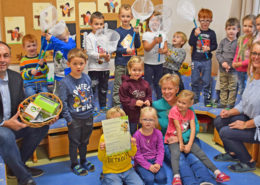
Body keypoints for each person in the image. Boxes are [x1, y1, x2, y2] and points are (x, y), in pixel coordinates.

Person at [0, 41, 53, 185]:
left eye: (5, 56)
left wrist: (44, 116)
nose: (2, 60)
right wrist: (4, 123)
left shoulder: (16, 78)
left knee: (41, 126)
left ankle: (17, 166)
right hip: (2, 127)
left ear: (10, 58)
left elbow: (24, 105)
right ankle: (24, 177)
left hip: (14, 123)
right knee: (4, 134)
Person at [153, 73, 216, 185]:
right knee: (180, 161)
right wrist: (166, 139)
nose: (167, 92)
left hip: (188, 138)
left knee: (194, 158)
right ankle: (190, 182)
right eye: (164, 88)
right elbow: (153, 130)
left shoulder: (184, 102)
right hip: (168, 141)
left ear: (177, 89)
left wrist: (180, 138)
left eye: (170, 89)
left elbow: (195, 127)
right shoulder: (156, 105)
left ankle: (206, 181)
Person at [214, 41, 260, 172]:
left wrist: (246, 125)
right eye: (254, 53)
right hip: (250, 118)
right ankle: (233, 154)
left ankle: (249, 162)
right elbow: (244, 103)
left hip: (258, 127)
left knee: (226, 132)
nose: (256, 57)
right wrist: (230, 112)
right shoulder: (252, 75)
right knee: (219, 120)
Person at [166, 90, 230, 185]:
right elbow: (178, 128)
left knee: (200, 153)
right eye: (179, 102)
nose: (180, 105)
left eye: (183, 103)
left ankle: (217, 172)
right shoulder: (174, 110)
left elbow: (193, 129)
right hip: (173, 138)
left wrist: (189, 145)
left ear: (190, 104)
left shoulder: (190, 113)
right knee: (176, 154)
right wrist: (182, 144)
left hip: (186, 139)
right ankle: (176, 176)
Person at [59, 48, 95, 176]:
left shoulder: (86, 77)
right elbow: (62, 102)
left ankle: (84, 160)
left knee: (85, 141)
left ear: (85, 63)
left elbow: (91, 93)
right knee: (75, 142)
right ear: (69, 64)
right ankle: (74, 163)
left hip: (88, 116)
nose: (78, 66)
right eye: (75, 64)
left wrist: (92, 110)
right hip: (74, 119)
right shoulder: (64, 82)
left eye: (81, 63)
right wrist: (68, 119)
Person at [98, 107, 144, 185]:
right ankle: (104, 178)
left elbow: (132, 154)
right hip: (111, 171)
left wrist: (133, 145)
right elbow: (101, 158)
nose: (116, 123)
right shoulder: (104, 137)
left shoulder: (126, 134)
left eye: (118, 120)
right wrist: (102, 149)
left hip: (127, 169)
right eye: (112, 121)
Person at [113, 4, 141, 106]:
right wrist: (125, 50)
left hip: (133, 64)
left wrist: (137, 34)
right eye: (123, 16)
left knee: (132, 86)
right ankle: (117, 107)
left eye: (128, 16)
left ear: (132, 17)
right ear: (119, 16)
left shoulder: (134, 30)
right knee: (118, 86)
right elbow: (114, 48)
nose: (125, 19)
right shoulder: (116, 32)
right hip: (120, 63)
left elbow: (138, 45)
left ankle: (131, 105)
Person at [188, 8, 218, 106]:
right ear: (199, 20)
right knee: (194, 80)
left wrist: (209, 48)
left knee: (206, 81)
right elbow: (191, 43)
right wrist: (196, 35)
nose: (205, 23)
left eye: (207, 20)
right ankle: (195, 98)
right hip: (195, 60)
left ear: (211, 20)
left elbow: (215, 45)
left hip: (207, 60)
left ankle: (207, 99)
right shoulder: (195, 30)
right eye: (202, 20)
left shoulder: (211, 33)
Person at [119, 56, 152, 135]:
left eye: (139, 70)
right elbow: (123, 99)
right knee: (131, 134)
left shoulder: (145, 84)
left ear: (142, 70)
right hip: (130, 117)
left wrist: (148, 101)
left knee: (143, 134)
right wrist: (134, 102)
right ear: (129, 70)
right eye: (134, 70)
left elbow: (149, 95)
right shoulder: (125, 84)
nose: (137, 72)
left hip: (142, 116)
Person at [134, 107, 167, 185]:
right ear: (140, 120)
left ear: (155, 121)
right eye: (145, 119)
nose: (148, 122)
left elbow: (161, 150)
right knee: (149, 180)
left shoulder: (158, 133)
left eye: (151, 120)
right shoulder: (137, 135)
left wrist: (158, 163)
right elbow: (137, 154)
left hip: (155, 159)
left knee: (162, 179)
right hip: (142, 161)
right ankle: (137, 170)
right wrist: (148, 166)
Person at [42, 20, 76, 95]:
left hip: (69, 75)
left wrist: (54, 39)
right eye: (59, 40)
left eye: (64, 39)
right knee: (56, 95)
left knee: (70, 94)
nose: (62, 42)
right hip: (58, 75)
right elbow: (45, 48)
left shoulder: (71, 42)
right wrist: (44, 37)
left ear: (69, 34)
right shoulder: (57, 43)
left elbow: (67, 47)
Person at [85, 11, 110, 113]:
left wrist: (108, 56)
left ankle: (103, 106)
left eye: (101, 24)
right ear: (91, 24)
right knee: (93, 89)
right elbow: (90, 53)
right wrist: (101, 55)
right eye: (96, 24)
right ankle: (92, 107)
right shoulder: (89, 37)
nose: (99, 26)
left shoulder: (105, 37)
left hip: (105, 68)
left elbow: (108, 50)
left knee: (103, 89)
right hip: (94, 68)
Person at [143, 11, 168, 100]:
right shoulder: (146, 34)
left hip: (160, 64)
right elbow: (146, 48)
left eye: (157, 20)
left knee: (159, 83)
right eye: (152, 20)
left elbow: (166, 49)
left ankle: (159, 101)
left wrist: (163, 51)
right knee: (148, 84)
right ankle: (147, 101)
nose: (155, 22)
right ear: (148, 22)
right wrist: (155, 41)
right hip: (148, 64)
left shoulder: (163, 34)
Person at [216, 18, 240, 109]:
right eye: (229, 29)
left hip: (233, 70)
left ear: (238, 30)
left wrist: (232, 64)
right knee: (223, 86)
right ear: (226, 29)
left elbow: (239, 55)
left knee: (233, 87)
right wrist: (223, 62)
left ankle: (230, 103)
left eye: (233, 29)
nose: (231, 31)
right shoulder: (223, 42)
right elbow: (218, 53)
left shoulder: (239, 42)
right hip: (223, 69)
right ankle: (223, 102)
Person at [232, 14, 256, 96]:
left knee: (248, 88)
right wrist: (234, 62)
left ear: (255, 27)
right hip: (239, 69)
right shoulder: (241, 39)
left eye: (250, 26)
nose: (247, 28)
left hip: (248, 69)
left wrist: (240, 63)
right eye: (245, 25)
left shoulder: (254, 40)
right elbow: (237, 53)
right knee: (241, 87)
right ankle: (241, 105)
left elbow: (252, 58)